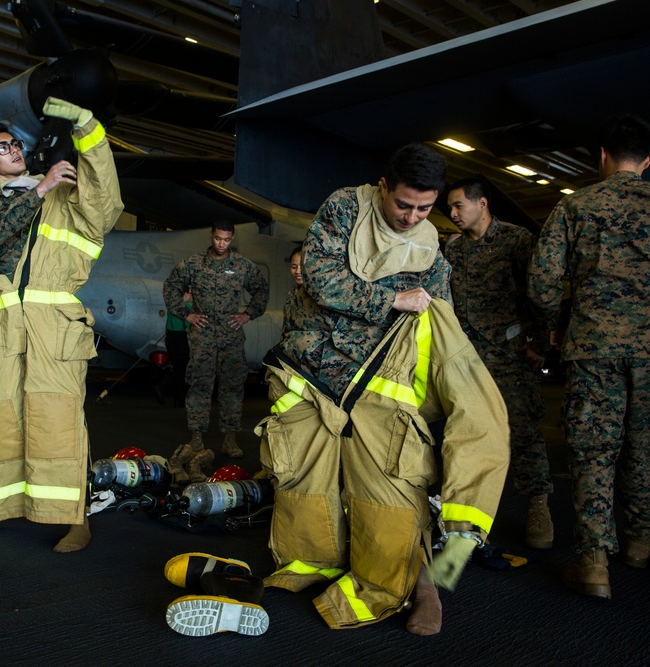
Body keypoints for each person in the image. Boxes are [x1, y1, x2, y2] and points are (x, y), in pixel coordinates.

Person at [258, 143, 509, 635]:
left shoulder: (431, 241)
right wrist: (393, 297)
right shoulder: (345, 207)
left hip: (380, 377)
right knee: (305, 481)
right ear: (383, 186)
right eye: (403, 205)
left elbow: (440, 306)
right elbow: (321, 277)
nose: (412, 217)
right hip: (312, 369)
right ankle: (317, 563)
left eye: (424, 208)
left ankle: (427, 584)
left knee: (393, 488)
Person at [0, 98, 124, 552]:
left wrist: (87, 128)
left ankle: (75, 516)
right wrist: (38, 189)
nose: (14, 150)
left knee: (58, 421)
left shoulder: (65, 195)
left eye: (15, 143)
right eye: (2, 147)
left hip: (54, 328)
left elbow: (106, 200)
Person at [528, 112, 650, 599]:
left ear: (601, 157)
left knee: (593, 452)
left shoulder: (575, 206)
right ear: (647, 161)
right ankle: (640, 543)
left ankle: (595, 563)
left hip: (593, 346)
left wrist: (555, 325)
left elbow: (540, 285)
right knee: (644, 447)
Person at [445, 176, 554, 549]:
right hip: (467, 359)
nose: (453, 213)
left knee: (521, 432)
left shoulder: (517, 240)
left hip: (508, 355)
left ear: (483, 204)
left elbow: (540, 293)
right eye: (451, 207)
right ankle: (469, 516)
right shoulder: (453, 250)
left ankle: (538, 505)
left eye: (459, 205)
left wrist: (540, 343)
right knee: (467, 434)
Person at [163, 220, 269, 467]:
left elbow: (261, 290)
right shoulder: (193, 264)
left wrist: (247, 314)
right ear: (211, 235)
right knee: (199, 385)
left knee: (232, 386)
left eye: (227, 240)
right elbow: (171, 287)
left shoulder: (242, 266)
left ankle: (230, 439)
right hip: (202, 335)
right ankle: (197, 437)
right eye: (218, 238)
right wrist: (186, 314)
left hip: (231, 336)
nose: (222, 244)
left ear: (232, 239)